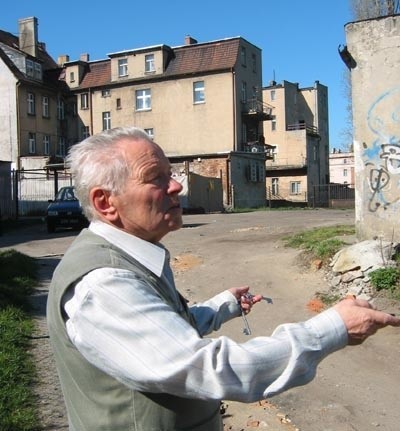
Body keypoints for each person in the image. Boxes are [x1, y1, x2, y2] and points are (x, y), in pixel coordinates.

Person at [47, 126, 400, 431]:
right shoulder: (104, 284)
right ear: (106, 203)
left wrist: (221, 306)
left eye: (171, 174)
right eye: (156, 177)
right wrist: (333, 327)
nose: (176, 187)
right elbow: (206, 368)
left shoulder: (134, 255)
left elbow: (161, 332)